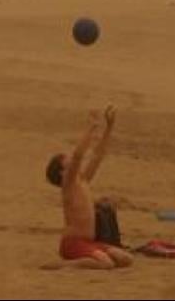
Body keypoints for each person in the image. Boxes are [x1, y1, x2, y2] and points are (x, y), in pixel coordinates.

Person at [44, 107, 133, 270]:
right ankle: (67, 265)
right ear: (62, 173)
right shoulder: (68, 185)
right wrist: (91, 128)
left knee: (125, 259)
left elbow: (98, 155)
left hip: (89, 242)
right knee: (106, 263)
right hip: (73, 243)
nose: (71, 160)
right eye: (67, 161)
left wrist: (109, 128)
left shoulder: (82, 180)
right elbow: (79, 155)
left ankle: (86, 258)